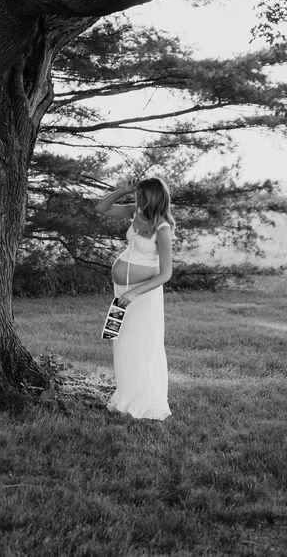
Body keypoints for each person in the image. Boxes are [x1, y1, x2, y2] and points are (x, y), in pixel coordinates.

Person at [95, 176, 175, 420]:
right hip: (122, 293)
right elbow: (101, 208)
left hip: (142, 295)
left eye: (142, 196)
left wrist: (134, 292)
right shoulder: (135, 212)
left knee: (142, 347)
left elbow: (166, 273)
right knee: (121, 344)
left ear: (154, 198)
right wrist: (122, 190)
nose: (138, 200)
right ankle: (125, 397)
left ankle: (144, 401)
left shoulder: (163, 229)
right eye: (137, 195)